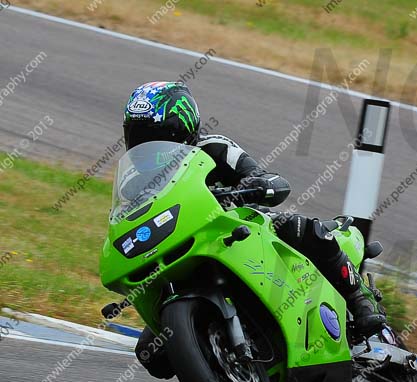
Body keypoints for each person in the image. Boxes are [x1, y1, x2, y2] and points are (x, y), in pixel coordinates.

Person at [123, 81, 385, 359]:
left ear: (180, 129)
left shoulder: (213, 147)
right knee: (152, 353)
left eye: (152, 136)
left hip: (244, 228)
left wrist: (260, 184)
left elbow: (257, 174)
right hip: (186, 249)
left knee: (302, 228)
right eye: (137, 136)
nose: (144, 146)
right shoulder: (131, 182)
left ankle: (359, 298)